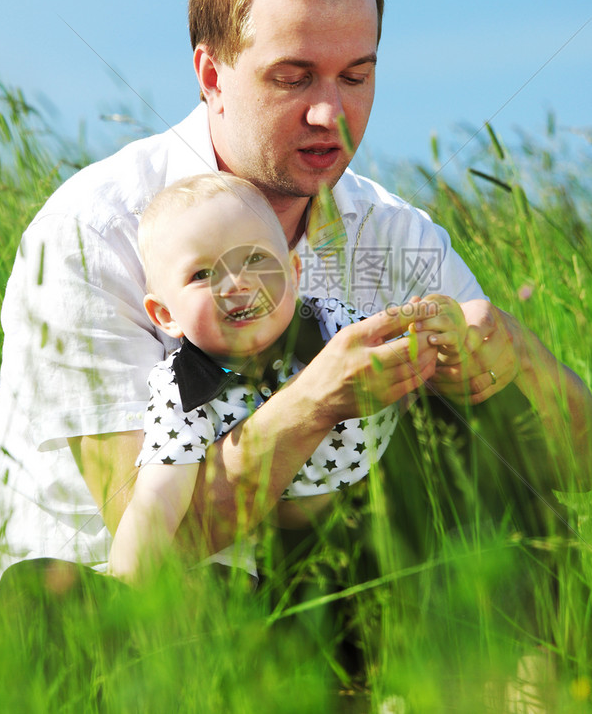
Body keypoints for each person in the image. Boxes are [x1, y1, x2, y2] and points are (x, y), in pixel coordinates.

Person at [0, 0, 592, 588]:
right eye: (293, 77)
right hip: (115, 609)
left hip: (316, 588)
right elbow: (149, 547)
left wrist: (517, 357)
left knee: (467, 423)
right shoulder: (94, 231)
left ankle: (511, 688)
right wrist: (316, 402)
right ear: (212, 75)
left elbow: (577, 471)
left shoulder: (394, 234)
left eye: (356, 76)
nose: (329, 113)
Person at [108, 173, 466, 582]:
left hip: (393, 500)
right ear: (166, 315)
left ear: (293, 275)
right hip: (293, 555)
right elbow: (158, 500)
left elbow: (410, 353)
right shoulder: (183, 392)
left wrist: (436, 325)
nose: (237, 283)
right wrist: (130, 586)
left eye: (256, 260)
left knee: (456, 416)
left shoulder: (331, 323)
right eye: (203, 274)